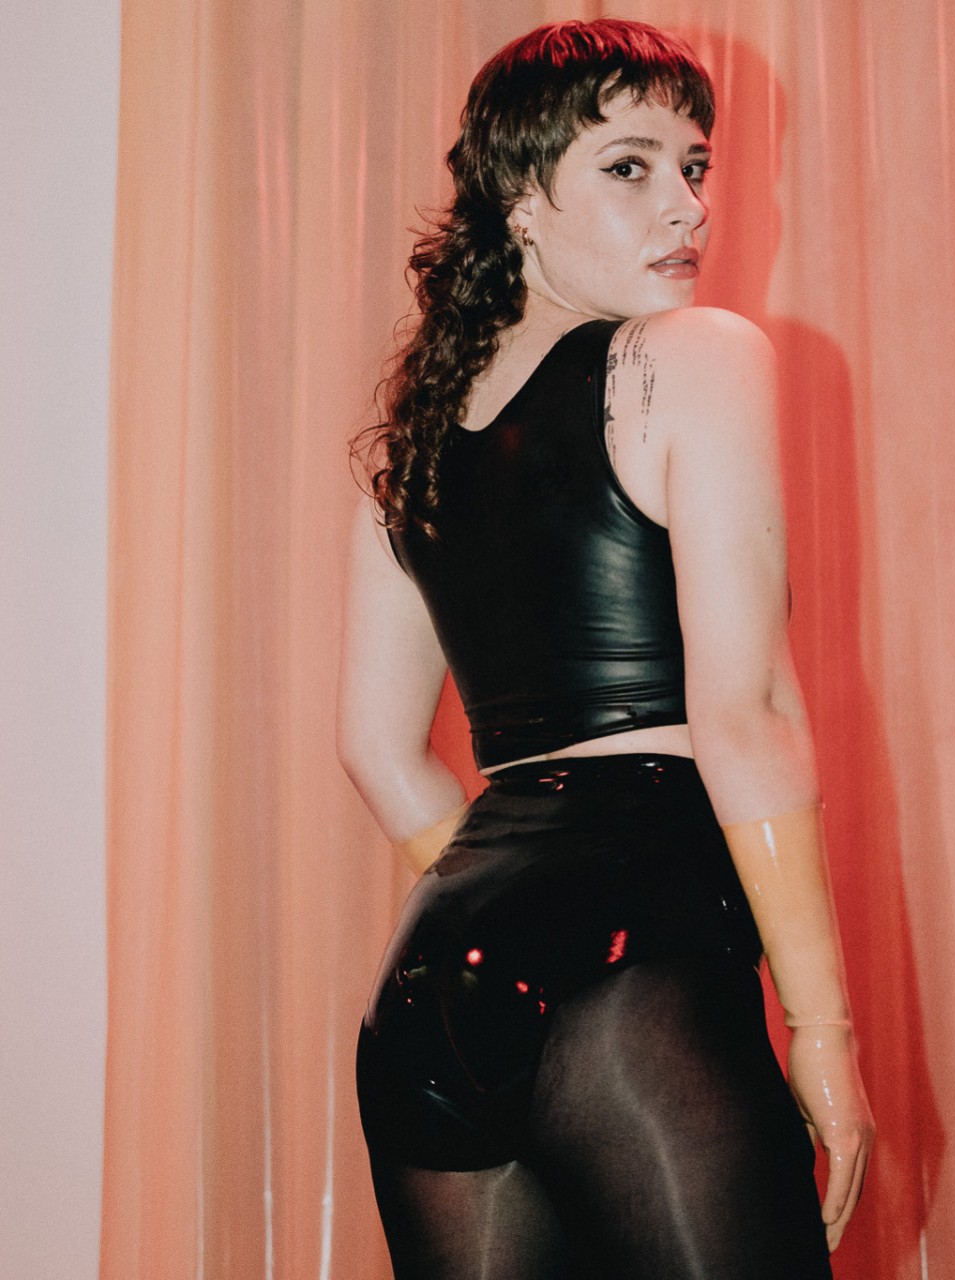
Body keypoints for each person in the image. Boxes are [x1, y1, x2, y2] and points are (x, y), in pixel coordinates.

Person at [337, 19, 874, 1280]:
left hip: (432, 980)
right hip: (635, 960)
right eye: (628, 167)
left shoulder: (410, 436)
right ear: (521, 202)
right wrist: (822, 1027)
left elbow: (375, 751)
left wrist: (516, 904)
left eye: (694, 165)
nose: (685, 204)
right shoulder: (695, 355)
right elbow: (744, 711)